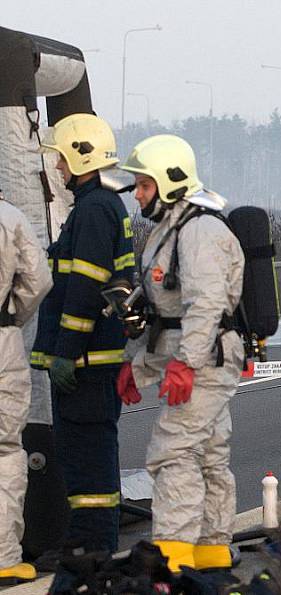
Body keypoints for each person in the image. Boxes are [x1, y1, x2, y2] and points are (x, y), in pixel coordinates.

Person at [118, 134, 244, 573]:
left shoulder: (200, 231)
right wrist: (139, 366)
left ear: (171, 182)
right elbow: (165, 311)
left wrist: (186, 365)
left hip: (204, 358)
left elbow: (204, 305)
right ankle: (210, 549)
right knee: (208, 450)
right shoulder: (171, 230)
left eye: (144, 185)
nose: (137, 194)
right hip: (195, 353)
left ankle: (172, 554)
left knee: (173, 452)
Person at [31, 113, 135, 555]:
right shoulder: (101, 206)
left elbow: (85, 289)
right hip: (91, 364)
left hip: (84, 367)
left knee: (87, 467)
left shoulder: (94, 210)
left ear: (80, 156)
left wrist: (65, 352)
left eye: (61, 159)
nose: (57, 168)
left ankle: (91, 555)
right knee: (87, 464)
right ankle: (89, 548)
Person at [0, 193, 53, 584]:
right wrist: (14, 317)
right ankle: (3, 557)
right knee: (4, 448)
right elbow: (38, 279)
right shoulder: (10, 217)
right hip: (2, 338)